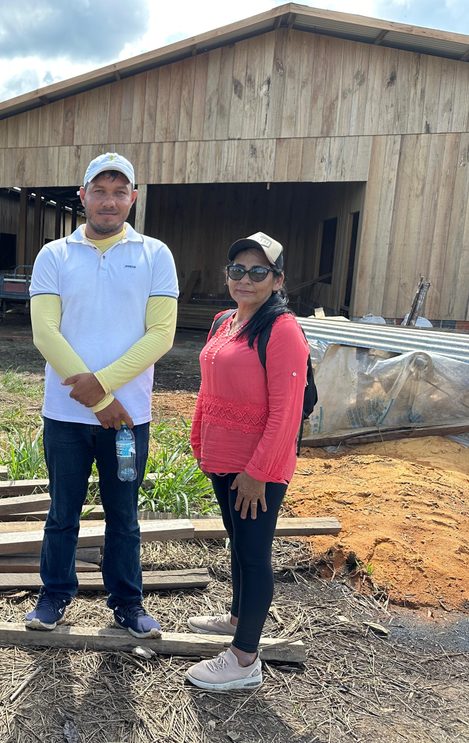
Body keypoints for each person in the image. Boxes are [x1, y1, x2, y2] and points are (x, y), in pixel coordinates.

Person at [26, 152, 178, 637]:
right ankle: (53, 595)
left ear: (133, 197)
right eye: (100, 190)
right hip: (67, 418)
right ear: (82, 195)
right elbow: (45, 334)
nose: (109, 201)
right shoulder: (54, 255)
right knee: (62, 511)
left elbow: (161, 335)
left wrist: (104, 387)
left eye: (119, 192)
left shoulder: (155, 254)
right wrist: (97, 399)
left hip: (127, 419)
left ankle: (127, 602)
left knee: (124, 516)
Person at [186, 232, 309, 691]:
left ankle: (244, 659)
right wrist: (200, 439)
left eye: (259, 272)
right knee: (237, 543)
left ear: (278, 280)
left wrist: (257, 473)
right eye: (237, 269)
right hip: (224, 459)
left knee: (254, 555)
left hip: (257, 468)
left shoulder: (282, 330)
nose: (246, 279)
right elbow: (208, 387)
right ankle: (237, 617)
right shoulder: (224, 321)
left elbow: (287, 413)